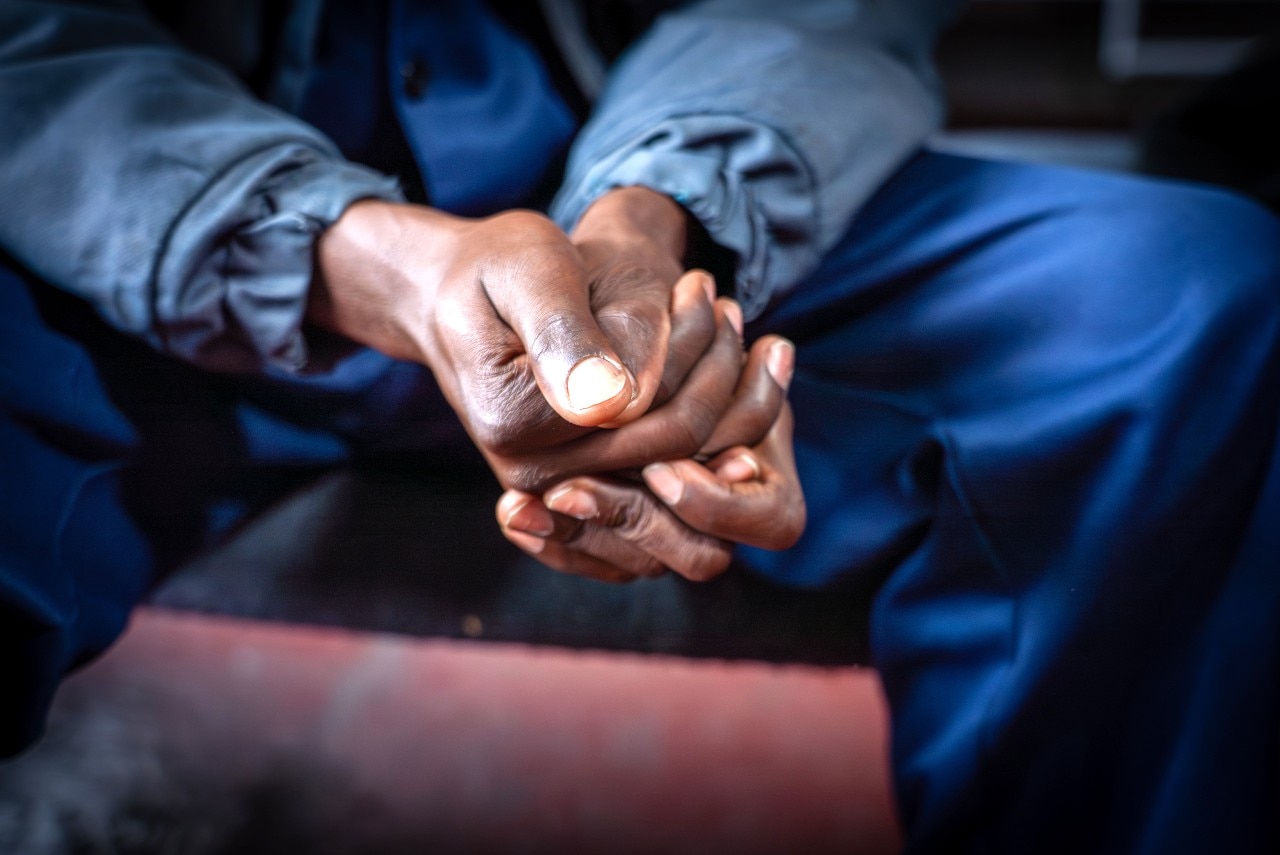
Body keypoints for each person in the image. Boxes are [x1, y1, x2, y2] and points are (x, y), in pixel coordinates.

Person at [2, 1, 1278, 852]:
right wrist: (343, 249)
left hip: (661, 199)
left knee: (1179, 298)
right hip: (120, 234)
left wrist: (653, 220)